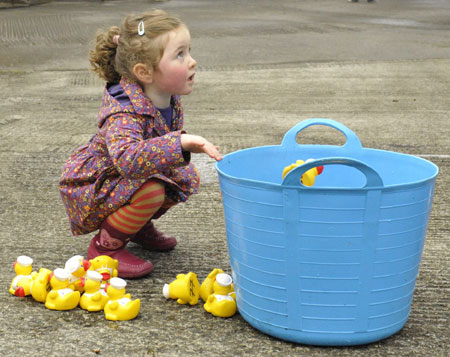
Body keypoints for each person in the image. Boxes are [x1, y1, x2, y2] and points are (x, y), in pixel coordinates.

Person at [59, 9, 222, 279]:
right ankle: (105, 249)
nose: (192, 62)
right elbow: (127, 158)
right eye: (180, 54)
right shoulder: (124, 111)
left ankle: (133, 227)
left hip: (127, 176)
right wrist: (179, 142)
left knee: (183, 176)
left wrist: (175, 147)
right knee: (153, 191)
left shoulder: (165, 95)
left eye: (189, 51)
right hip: (98, 182)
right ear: (144, 72)